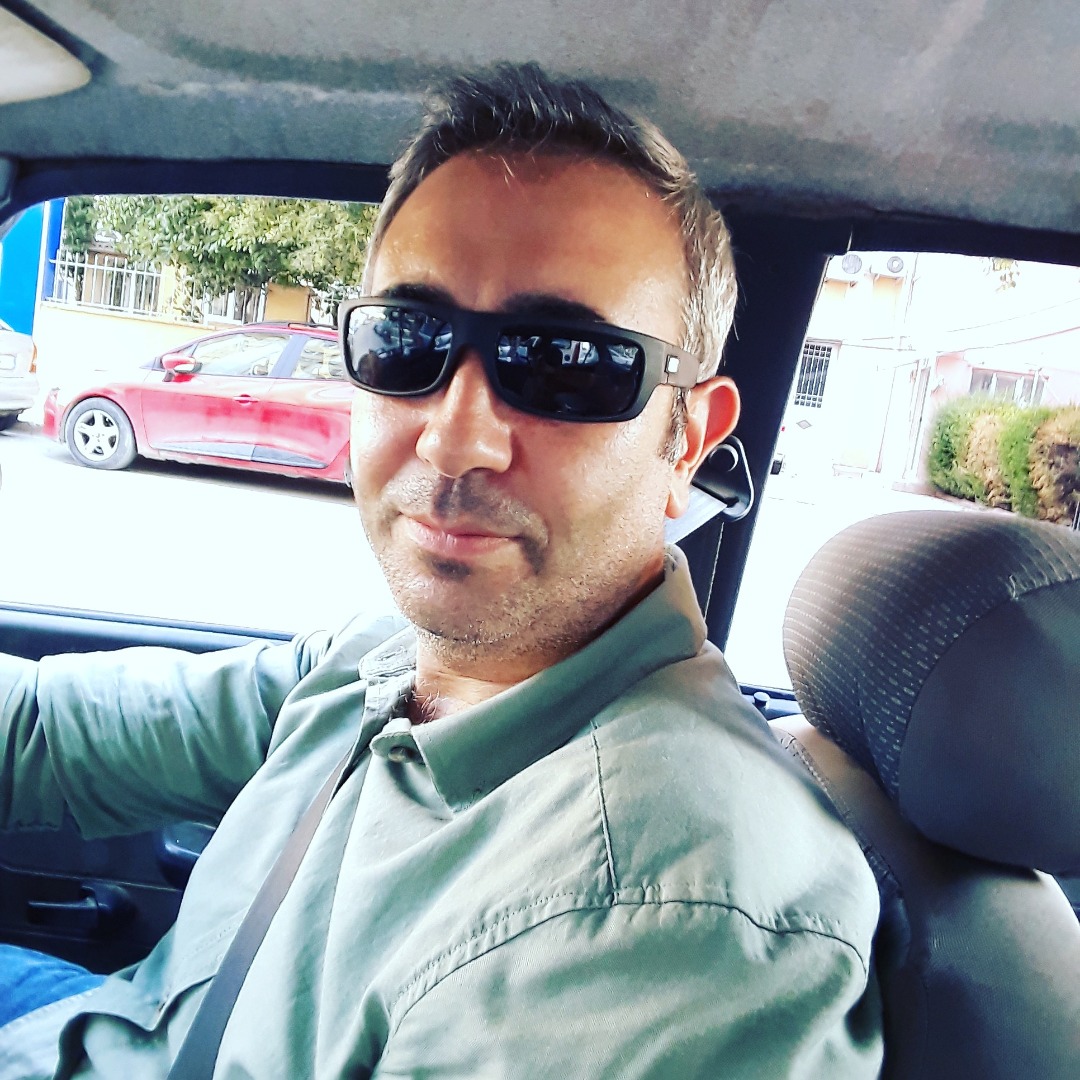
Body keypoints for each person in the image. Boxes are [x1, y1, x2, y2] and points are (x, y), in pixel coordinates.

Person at [0, 65, 883, 1078]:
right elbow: (45, 733)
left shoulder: (665, 921)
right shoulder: (387, 660)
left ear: (688, 439)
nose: (454, 440)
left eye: (566, 363)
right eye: (405, 340)